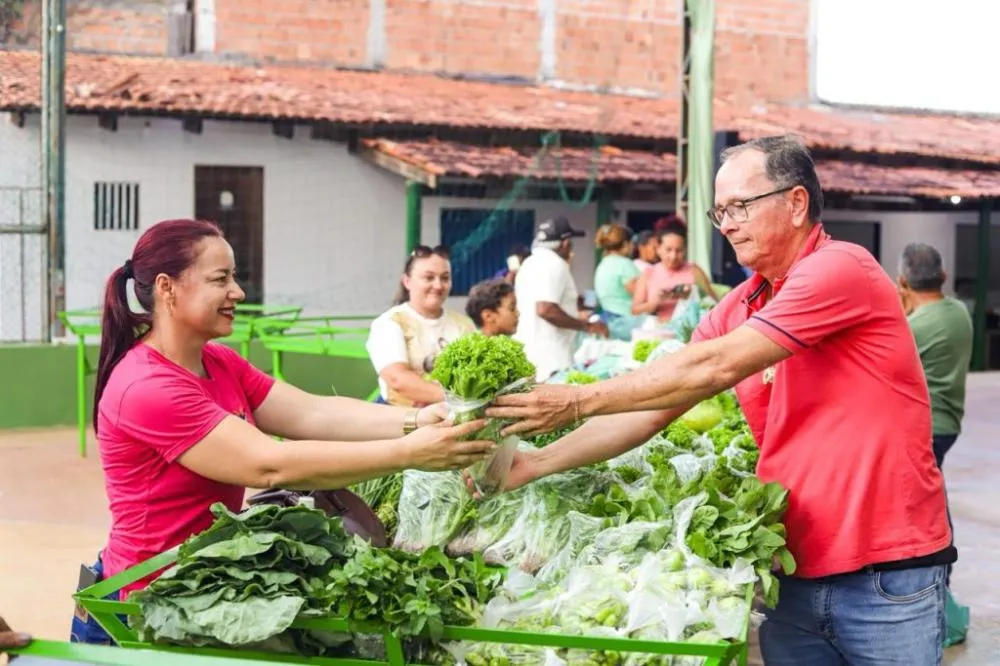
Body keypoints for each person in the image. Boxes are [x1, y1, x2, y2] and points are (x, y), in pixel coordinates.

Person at [485, 136, 954, 666]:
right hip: (792, 570)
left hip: (885, 575)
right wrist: (533, 463)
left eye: (739, 207)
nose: (726, 224)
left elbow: (713, 366)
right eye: (720, 211)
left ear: (796, 203)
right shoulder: (740, 305)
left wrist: (576, 400)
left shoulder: (843, 269)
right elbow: (653, 407)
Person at [72, 219, 493, 645]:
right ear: (167, 287)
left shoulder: (217, 362)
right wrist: (410, 453)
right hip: (141, 611)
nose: (237, 292)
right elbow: (270, 465)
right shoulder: (147, 386)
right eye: (221, 279)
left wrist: (417, 420)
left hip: (195, 590)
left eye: (234, 277)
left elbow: (313, 413)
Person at [366, 246, 476, 406]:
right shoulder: (390, 323)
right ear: (407, 281)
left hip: (453, 418)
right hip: (400, 421)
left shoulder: (463, 324)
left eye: (445, 278)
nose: (438, 286)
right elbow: (397, 379)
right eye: (428, 278)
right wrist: (459, 400)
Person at [898, 243, 973, 468]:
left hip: (924, 428)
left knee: (925, 499)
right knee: (933, 490)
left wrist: (902, 311)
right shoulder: (961, 312)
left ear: (902, 282)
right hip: (949, 425)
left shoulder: (910, 328)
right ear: (944, 275)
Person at [514, 216, 608, 382]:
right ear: (565, 243)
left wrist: (574, 302)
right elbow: (546, 310)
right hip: (551, 358)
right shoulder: (554, 263)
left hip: (528, 352)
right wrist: (587, 326)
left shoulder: (529, 263)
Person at [632, 223, 719, 322]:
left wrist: (693, 294)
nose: (673, 256)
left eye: (679, 251)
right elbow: (634, 310)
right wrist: (654, 303)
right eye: (668, 250)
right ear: (658, 249)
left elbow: (714, 304)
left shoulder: (694, 270)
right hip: (659, 330)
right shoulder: (649, 273)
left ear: (685, 250)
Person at [593, 223, 644, 341]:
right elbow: (639, 295)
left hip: (607, 319)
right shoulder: (625, 265)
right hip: (627, 323)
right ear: (626, 244)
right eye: (632, 243)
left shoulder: (603, 264)